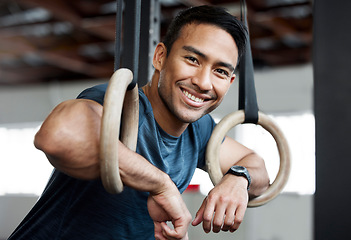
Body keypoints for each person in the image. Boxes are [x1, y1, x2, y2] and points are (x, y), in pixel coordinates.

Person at [9, 5, 269, 240]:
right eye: (192, 59)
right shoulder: (117, 105)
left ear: (230, 82)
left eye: (220, 71)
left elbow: (256, 167)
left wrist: (238, 178)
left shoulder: (199, 131)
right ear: (160, 58)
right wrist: (160, 184)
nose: (203, 82)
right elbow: (56, 137)